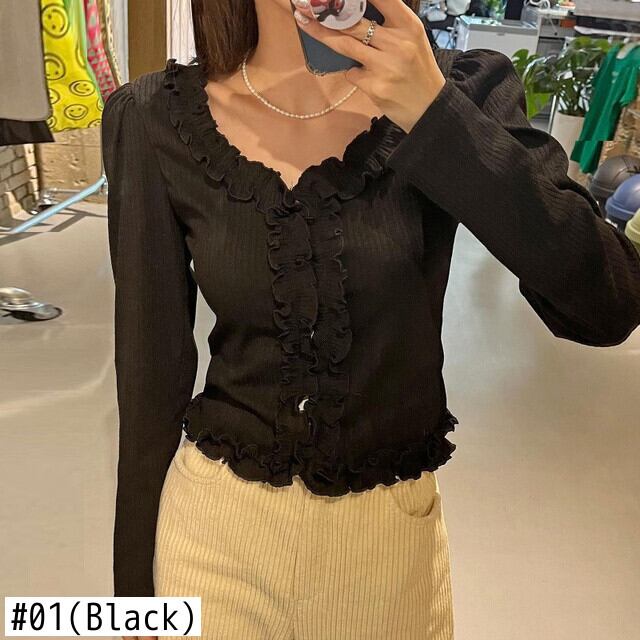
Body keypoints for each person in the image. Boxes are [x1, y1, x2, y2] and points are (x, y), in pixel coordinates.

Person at [101, 0, 640, 638]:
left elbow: (606, 305)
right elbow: (149, 378)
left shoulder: (462, 88)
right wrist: (133, 609)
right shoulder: (156, 118)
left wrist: (435, 116)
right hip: (212, 535)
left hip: (387, 552)